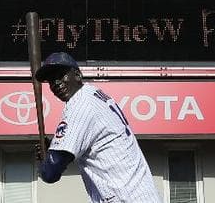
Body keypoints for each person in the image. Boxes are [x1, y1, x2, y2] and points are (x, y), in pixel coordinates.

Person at [34, 52, 160, 203]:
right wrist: (55, 149)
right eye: (51, 81)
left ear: (77, 75)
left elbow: (50, 172)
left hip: (125, 197)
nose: (56, 83)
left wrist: (45, 160)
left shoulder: (80, 105)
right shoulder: (94, 94)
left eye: (61, 75)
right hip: (139, 194)